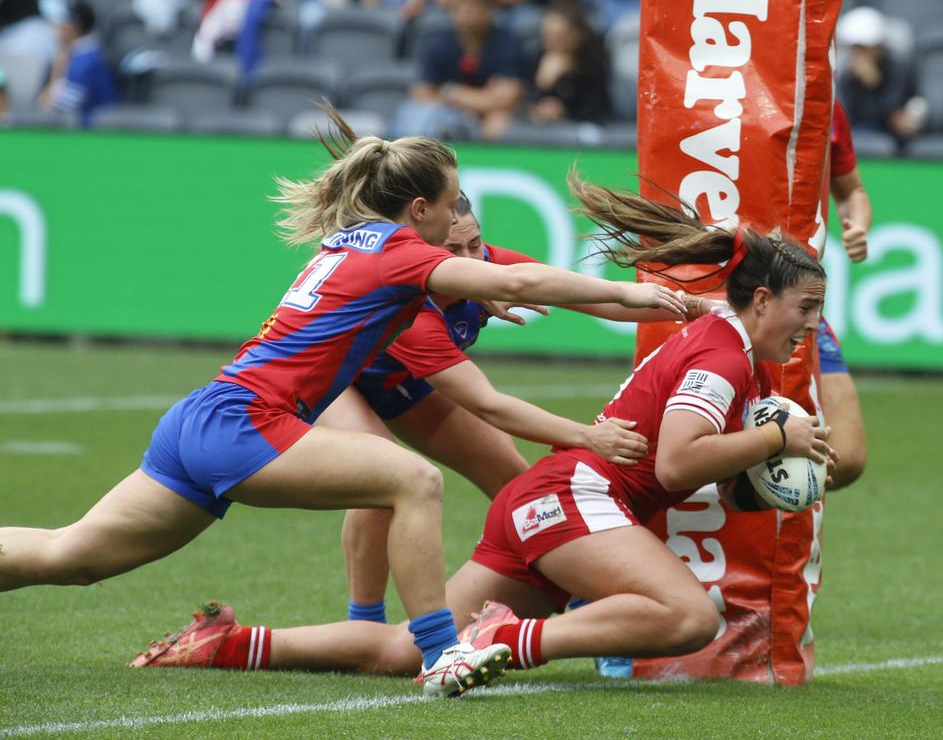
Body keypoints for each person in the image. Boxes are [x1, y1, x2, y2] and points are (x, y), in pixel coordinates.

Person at [0, 109, 686, 697]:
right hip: (243, 422)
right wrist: (632, 294)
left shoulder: (360, 239)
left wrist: (677, 304)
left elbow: (519, 278)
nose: (458, 219)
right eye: (452, 205)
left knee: (73, 557)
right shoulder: (400, 252)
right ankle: (443, 654)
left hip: (206, 415)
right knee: (408, 478)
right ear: (420, 211)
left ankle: (401, 637)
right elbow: (532, 283)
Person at [128, 171, 834, 681]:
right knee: (688, 618)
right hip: (364, 394)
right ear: (764, 299)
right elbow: (663, 459)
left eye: (474, 247)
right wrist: (775, 439)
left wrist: (764, 475)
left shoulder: (735, 354)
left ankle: (228, 644)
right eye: (806, 308)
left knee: (408, 651)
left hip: (553, 498)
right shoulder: (724, 357)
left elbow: (591, 305)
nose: (814, 326)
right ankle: (484, 630)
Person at [335, 191, 710, 624]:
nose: (471, 258)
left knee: (526, 492)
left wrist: (699, 308)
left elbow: (591, 298)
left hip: (402, 384)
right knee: (386, 475)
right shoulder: (411, 311)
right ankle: (364, 625)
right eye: (453, 250)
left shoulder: (489, 265)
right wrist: (588, 436)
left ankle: (594, 600)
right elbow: (488, 405)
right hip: (338, 381)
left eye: (475, 244)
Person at [392, 0, 526, 140]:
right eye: (460, 5)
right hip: (448, 116)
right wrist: (481, 98)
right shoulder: (438, 43)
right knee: (416, 114)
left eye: (474, 5)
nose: (466, 12)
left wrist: (451, 92)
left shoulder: (508, 44)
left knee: (499, 121)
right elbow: (421, 93)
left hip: (486, 117)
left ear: (489, 8)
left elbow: (505, 100)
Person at [819, 98, 870, 489]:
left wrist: (858, 225)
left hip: (796, 301)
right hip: (725, 296)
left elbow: (852, 190)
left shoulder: (826, 104)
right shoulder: (721, 87)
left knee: (847, 456)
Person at [835, 6, 925, 140]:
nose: (858, 54)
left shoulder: (899, 69)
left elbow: (892, 112)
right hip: (858, 135)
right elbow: (849, 113)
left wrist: (874, 83)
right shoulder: (847, 75)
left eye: (863, 48)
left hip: (895, 139)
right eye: (855, 48)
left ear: (878, 47)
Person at [37, 0, 117, 126]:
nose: (54, 28)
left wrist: (58, 70)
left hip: (92, 136)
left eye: (60, 23)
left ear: (75, 26)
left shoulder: (87, 62)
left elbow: (56, 111)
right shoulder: (77, 55)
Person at [528, 1, 610, 124]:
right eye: (547, 35)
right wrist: (542, 85)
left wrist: (565, 111)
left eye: (559, 36)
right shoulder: (538, 57)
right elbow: (525, 106)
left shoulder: (594, 64)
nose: (551, 42)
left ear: (577, 35)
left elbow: (595, 111)